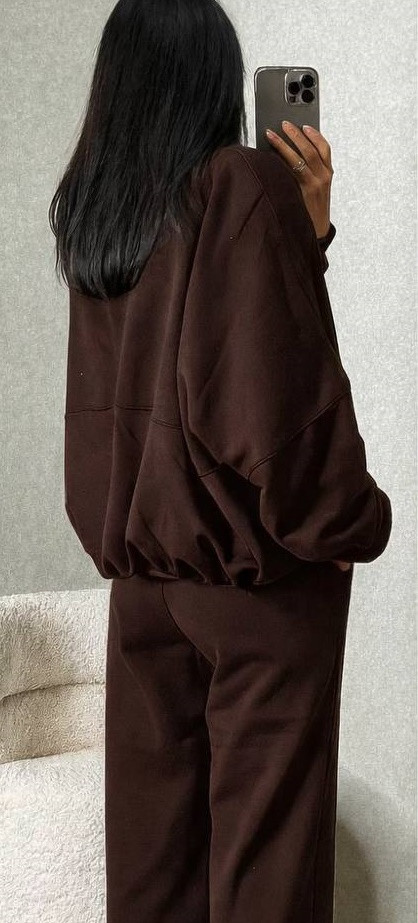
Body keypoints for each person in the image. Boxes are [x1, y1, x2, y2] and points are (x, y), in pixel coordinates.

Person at [49, 1, 392, 921]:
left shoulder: (102, 215)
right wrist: (351, 523)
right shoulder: (241, 182)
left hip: (143, 587)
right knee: (267, 877)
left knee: (153, 875)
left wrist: (305, 235)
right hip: (256, 587)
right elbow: (269, 392)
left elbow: (183, 371)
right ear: (212, 79)